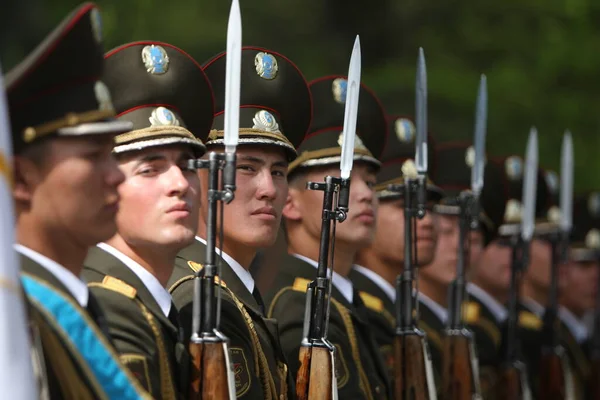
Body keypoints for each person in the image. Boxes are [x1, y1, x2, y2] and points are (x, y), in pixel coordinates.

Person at [8, 3, 149, 399]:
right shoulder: (15, 315)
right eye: (92, 156)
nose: (117, 174)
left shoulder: (71, 301)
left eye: (113, 153)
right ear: (21, 177)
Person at [167, 46, 313, 399]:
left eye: (278, 172)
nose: (268, 190)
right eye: (246, 168)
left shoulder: (233, 288)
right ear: (196, 175)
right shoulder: (198, 294)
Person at [81, 40, 214, 399]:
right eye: (150, 168)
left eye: (186, 165)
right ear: (106, 185)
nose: (179, 184)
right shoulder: (109, 308)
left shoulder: (148, 302)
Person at [265, 76, 392, 399]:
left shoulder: (342, 298)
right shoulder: (298, 307)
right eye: (343, 179)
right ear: (289, 203)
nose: (365, 194)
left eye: (370, 179)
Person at [351, 115, 442, 379]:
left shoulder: (403, 311)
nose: (425, 221)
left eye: (430, 208)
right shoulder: (362, 313)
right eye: (406, 207)